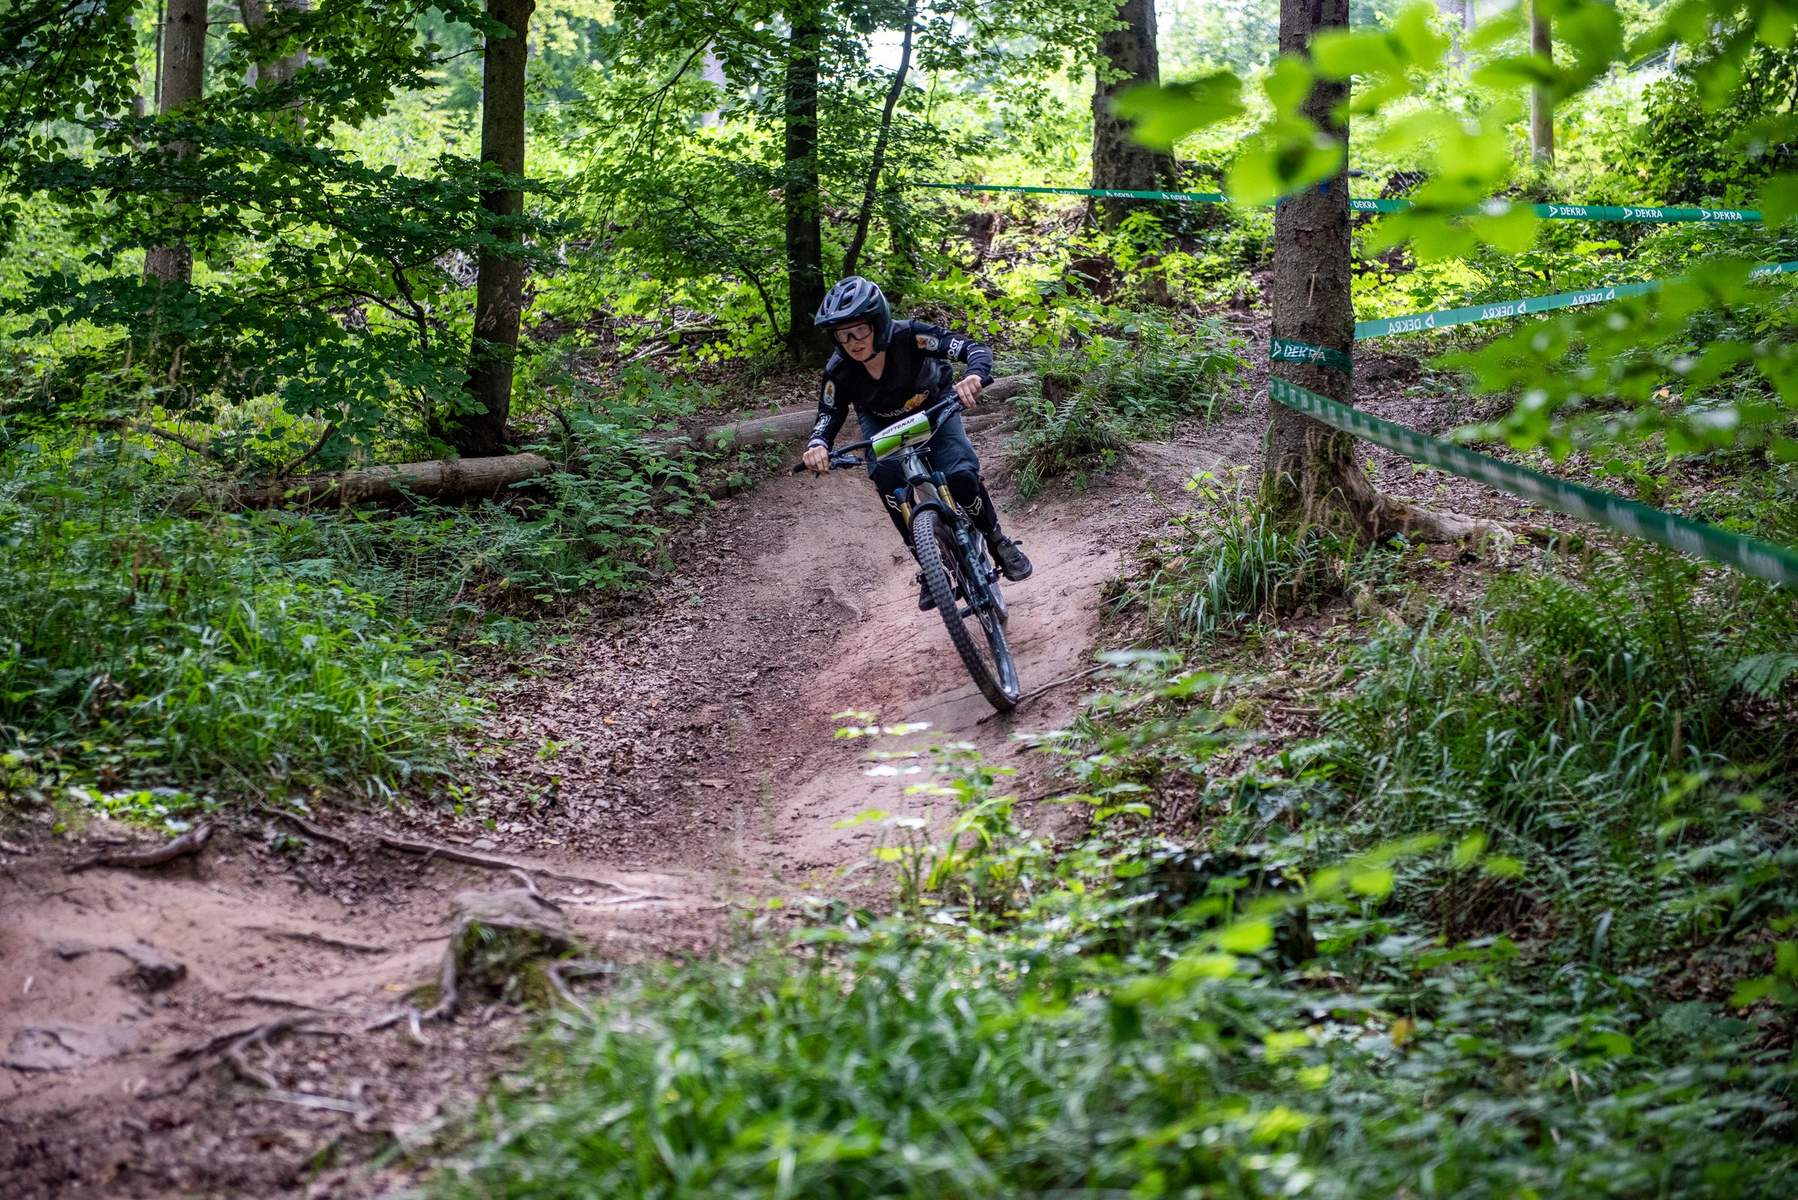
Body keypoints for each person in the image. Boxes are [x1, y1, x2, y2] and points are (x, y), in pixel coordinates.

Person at [802, 275, 1033, 611]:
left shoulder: (911, 335)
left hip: (935, 407)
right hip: (882, 422)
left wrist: (974, 375)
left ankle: (997, 539)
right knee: (887, 478)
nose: (852, 342)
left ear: (878, 323)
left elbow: (972, 348)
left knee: (960, 474)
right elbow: (828, 412)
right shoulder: (839, 370)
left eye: (860, 330)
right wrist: (817, 444)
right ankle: (929, 565)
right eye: (842, 334)